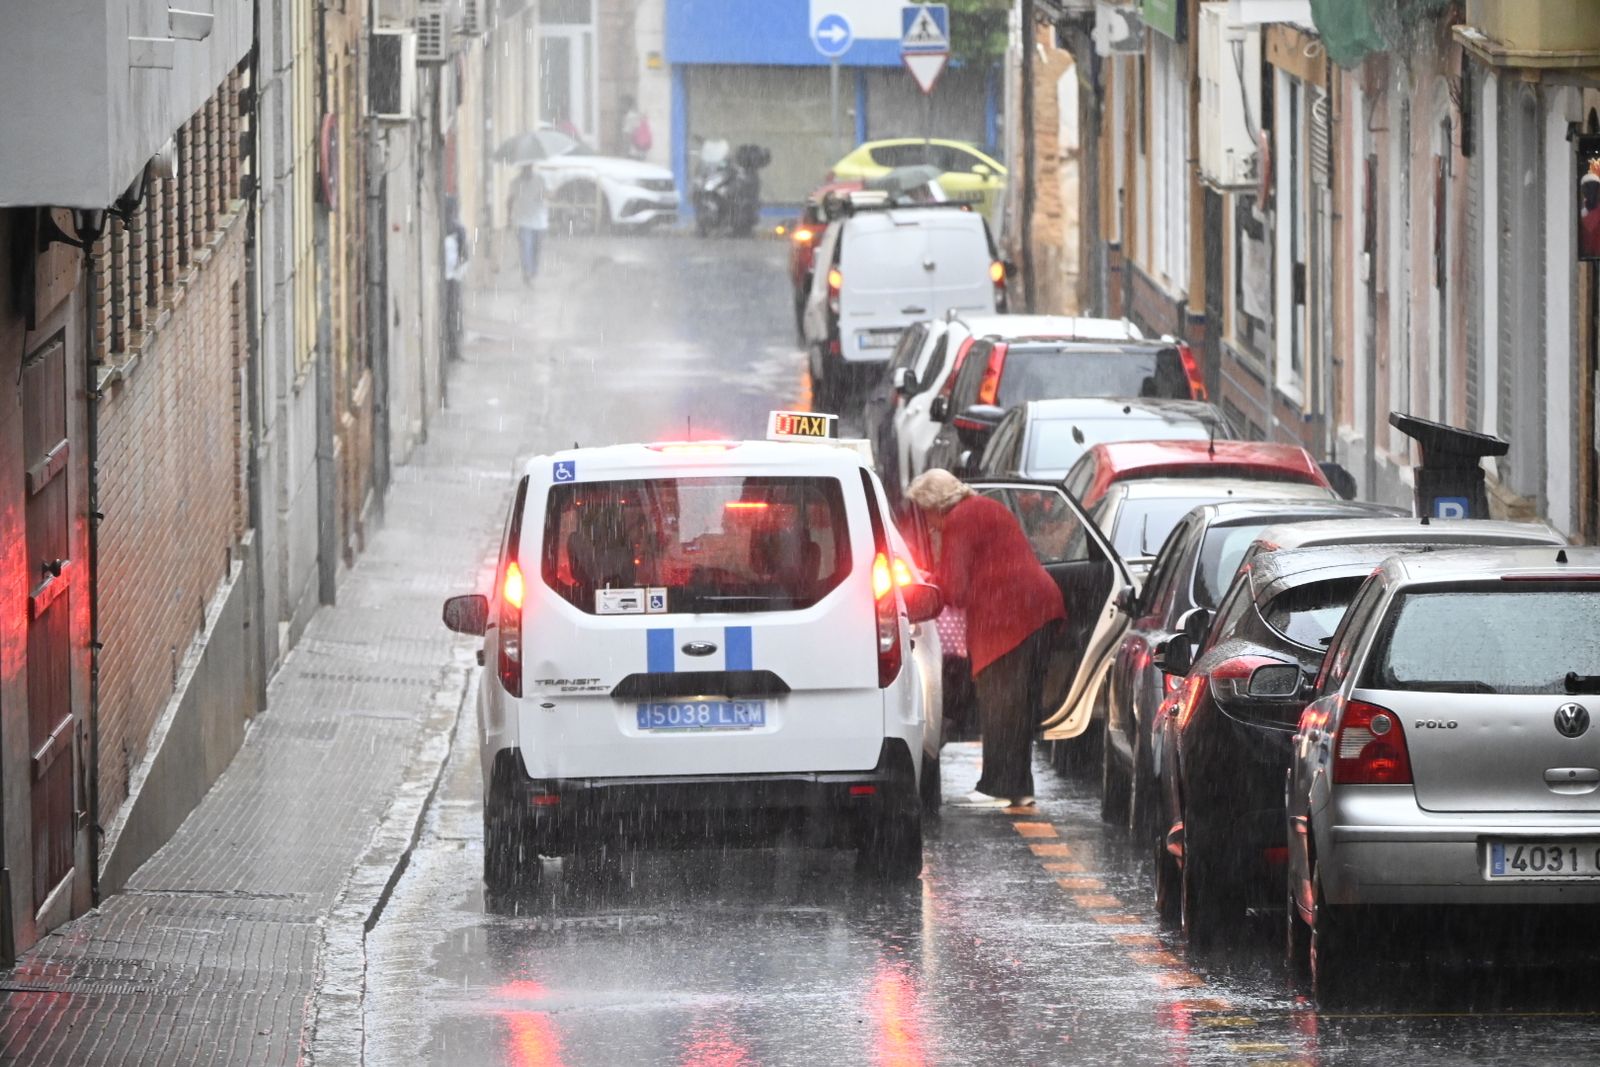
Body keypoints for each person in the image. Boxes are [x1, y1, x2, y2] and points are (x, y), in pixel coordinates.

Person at [907, 469, 1066, 808]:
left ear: (936, 504)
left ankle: (998, 787)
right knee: (1021, 707)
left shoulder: (959, 520)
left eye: (926, 513)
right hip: (1037, 609)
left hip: (1009, 619)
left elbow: (955, 588)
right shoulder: (986, 507)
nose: (929, 524)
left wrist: (927, 580)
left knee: (1000, 705)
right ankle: (1019, 786)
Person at [507, 166, 548, 287]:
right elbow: (510, 200)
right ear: (522, 169)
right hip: (522, 221)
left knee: (536, 249)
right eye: (525, 168)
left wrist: (544, 195)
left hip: (539, 221)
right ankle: (527, 273)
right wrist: (508, 217)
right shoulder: (515, 182)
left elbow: (549, 195)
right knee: (525, 248)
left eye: (529, 168)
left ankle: (533, 270)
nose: (528, 170)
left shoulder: (540, 179)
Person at [621, 95, 651, 160]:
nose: (622, 106)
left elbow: (628, 132)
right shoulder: (636, 115)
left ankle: (633, 155)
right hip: (639, 146)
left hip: (633, 140)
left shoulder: (631, 115)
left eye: (623, 104)